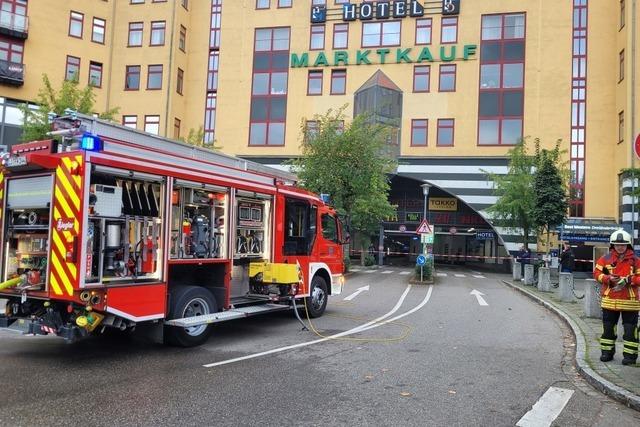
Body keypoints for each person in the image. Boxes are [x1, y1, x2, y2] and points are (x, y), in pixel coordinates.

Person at [593, 229, 640, 365]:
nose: (620, 247)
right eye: (617, 244)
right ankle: (607, 353)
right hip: (610, 300)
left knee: (630, 331)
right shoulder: (604, 259)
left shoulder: (636, 261)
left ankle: (630, 356)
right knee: (608, 329)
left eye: (623, 245)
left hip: (629, 302)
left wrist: (629, 280)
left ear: (628, 245)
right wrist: (608, 278)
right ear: (612, 245)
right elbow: (596, 274)